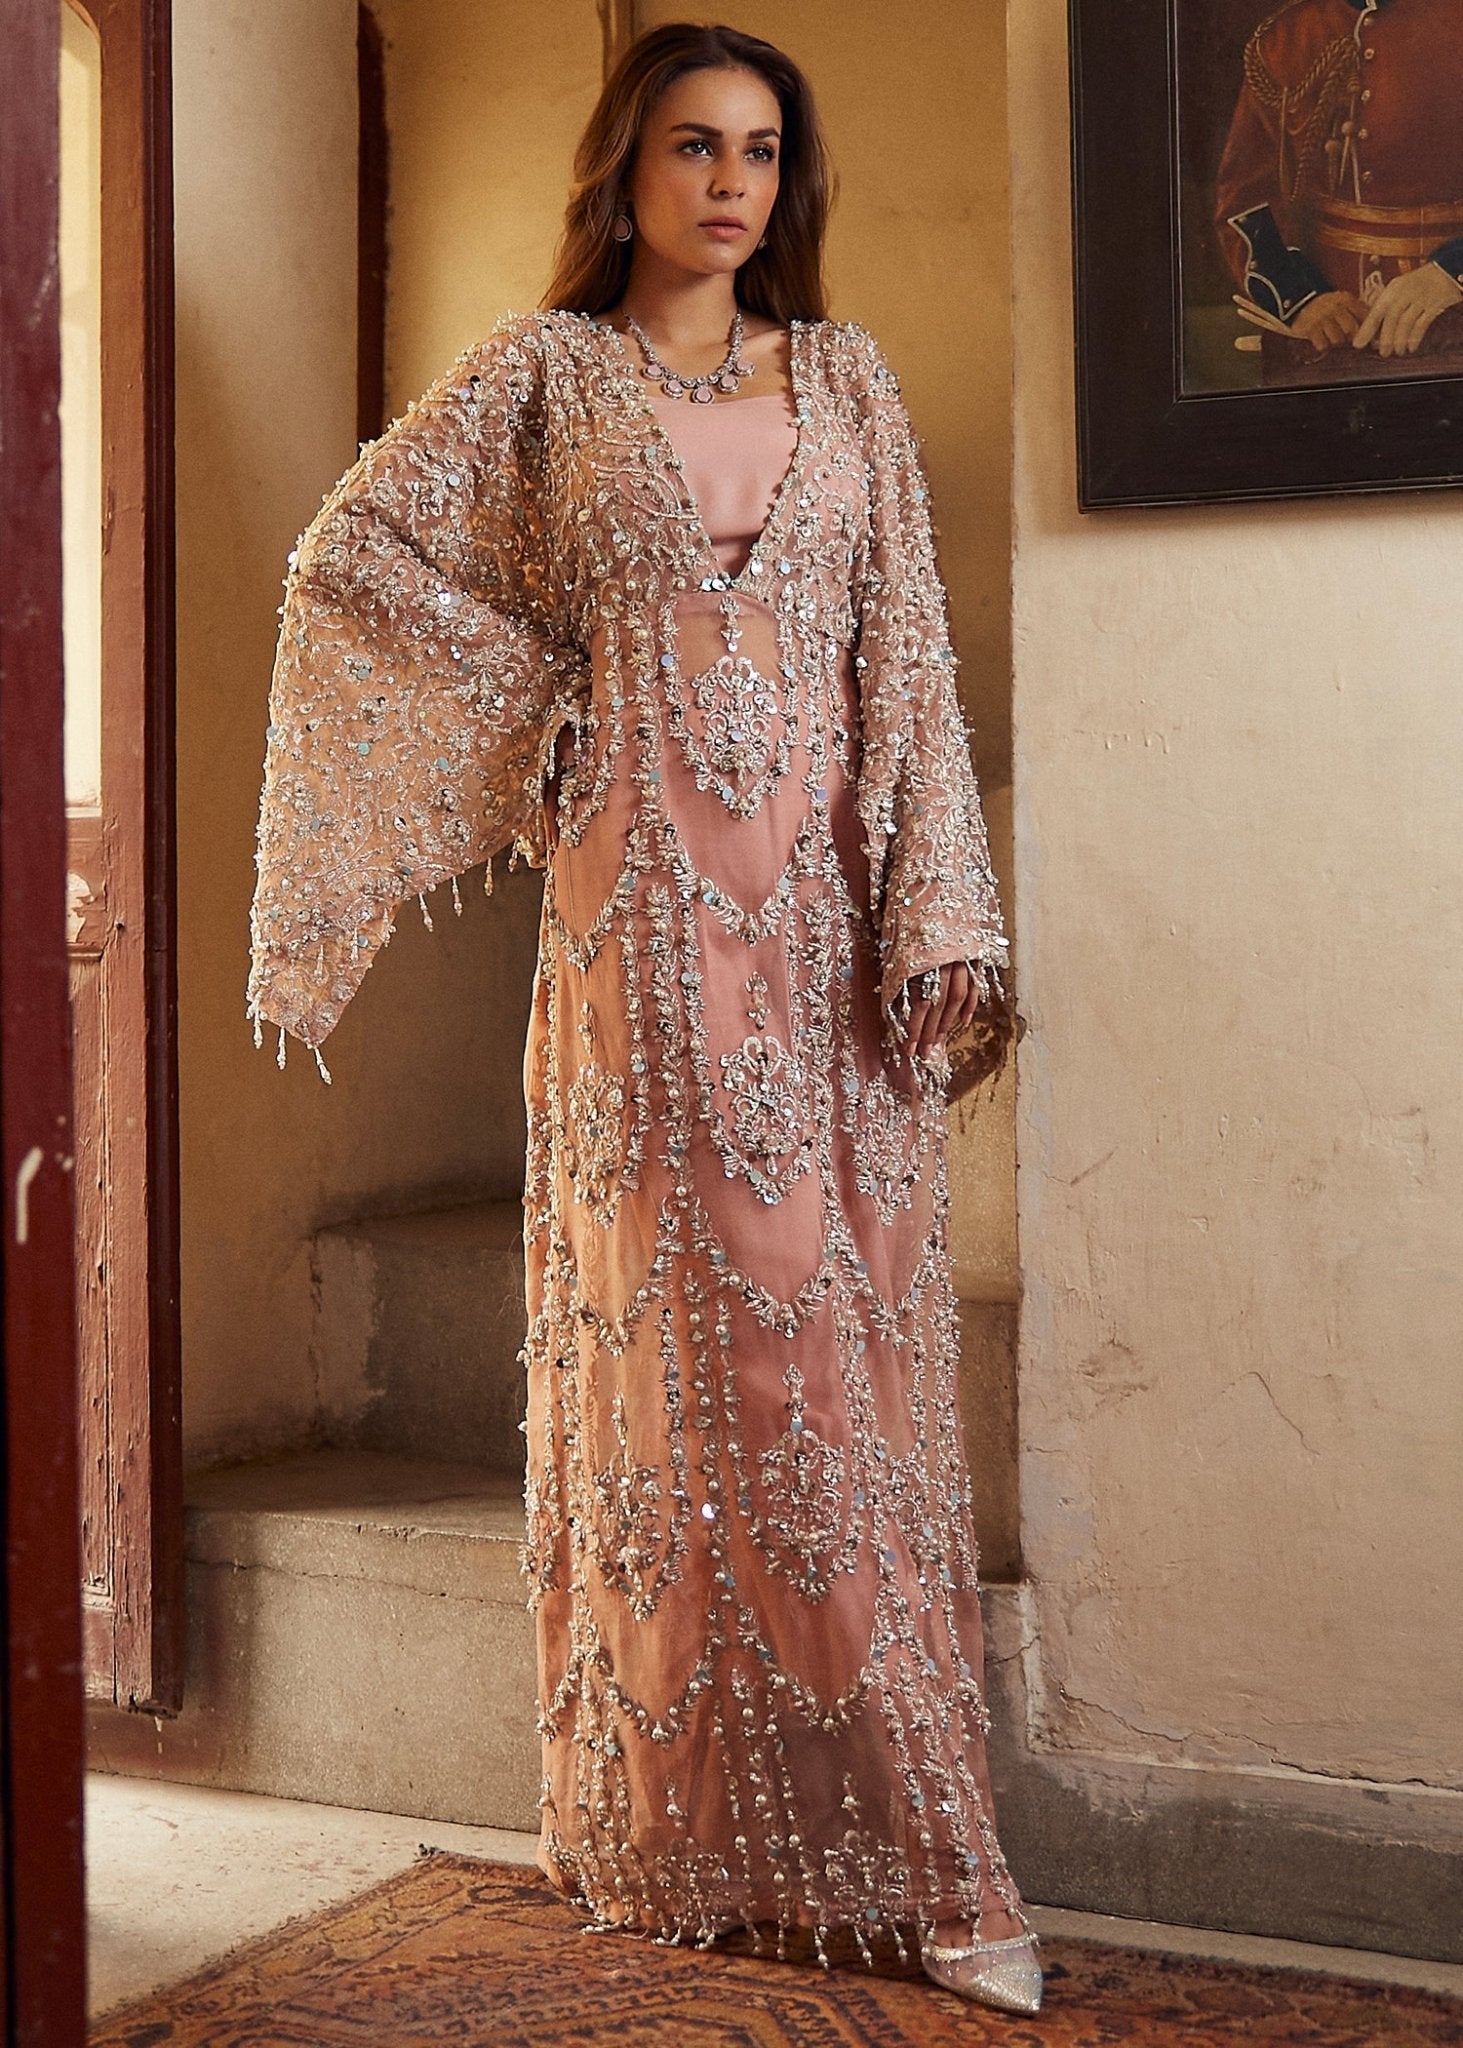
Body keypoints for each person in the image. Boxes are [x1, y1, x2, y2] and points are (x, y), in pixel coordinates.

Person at [245, 20, 1038, 2016]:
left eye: (760, 151)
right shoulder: (540, 379)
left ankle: (908, 1847)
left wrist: (942, 901)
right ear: (628, 165)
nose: (727, 184)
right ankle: (702, 1839)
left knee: (835, 1384)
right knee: (702, 1387)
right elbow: (350, 557)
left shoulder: (842, 377)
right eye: (691, 145)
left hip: (834, 954)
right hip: (642, 948)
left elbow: (909, 666)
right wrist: (554, 720)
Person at [1214, 0, 1463, 357]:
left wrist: (1453, 272)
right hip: (1325, 333)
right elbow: (1244, 201)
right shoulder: (1284, 38)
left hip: (1452, 320)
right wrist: (1301, 300)